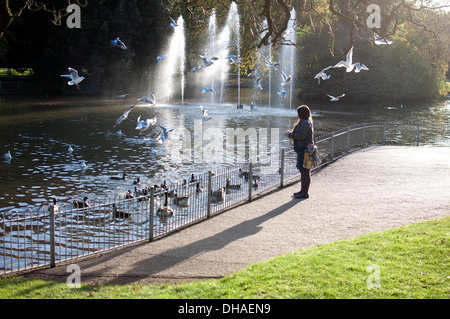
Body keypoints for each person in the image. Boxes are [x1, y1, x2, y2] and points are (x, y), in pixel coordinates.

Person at [284, 105, 314, 198]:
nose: (297, 115)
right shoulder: (305, 122)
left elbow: (301, 136)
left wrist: (290, 135)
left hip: (304, 149)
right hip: (302, 148)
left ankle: (304, 193)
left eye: (298, 113)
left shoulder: (305, 122)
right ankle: (302, 191)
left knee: (305, 171)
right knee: (303, 170)